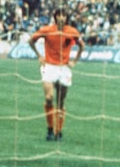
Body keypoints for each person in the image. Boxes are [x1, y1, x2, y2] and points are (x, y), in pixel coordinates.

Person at [29, 8, 85, 141]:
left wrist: (74, 61)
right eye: (59, 15)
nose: (61, 17)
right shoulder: (47, 30)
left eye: (64, 15)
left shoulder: (72, 31)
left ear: (66, 17)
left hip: (64, 68)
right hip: (48, 66)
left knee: (61, 101)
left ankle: (58, 131)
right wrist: (39, 56)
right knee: (49, 97)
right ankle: (49, 129)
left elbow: (82, 45)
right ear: (55, 17)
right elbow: (31, 40)